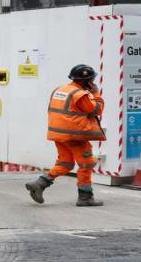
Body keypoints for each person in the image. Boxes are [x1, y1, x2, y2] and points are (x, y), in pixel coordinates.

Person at [25, 64, 106, 207]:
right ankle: (85, 197)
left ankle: (39, 184)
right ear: (85, 81)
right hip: (75, 136)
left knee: (65, 163)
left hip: (59, 134)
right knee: (86, 164)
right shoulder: (80, 94)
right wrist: (96, 94)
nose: (93, 83)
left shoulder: (60, 89)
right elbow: (96, 110)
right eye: (92, 80)